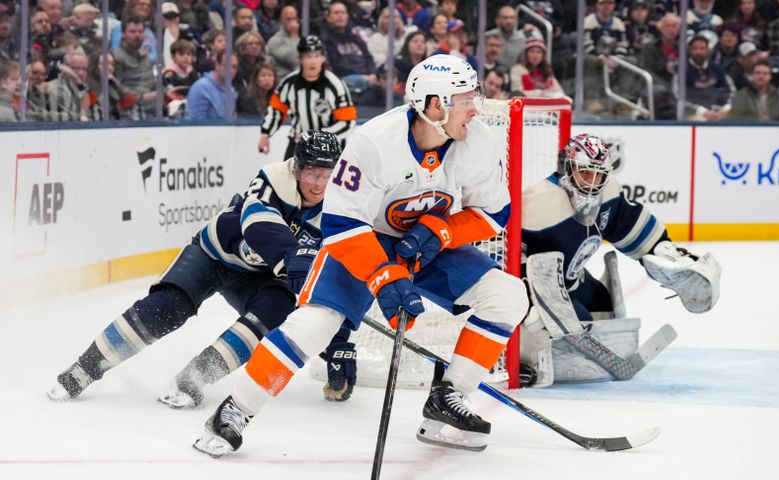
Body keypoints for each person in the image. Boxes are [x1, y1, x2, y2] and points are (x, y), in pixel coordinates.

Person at [193, 54, 529, 458]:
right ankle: (235, 410)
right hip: (363, 240)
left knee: (508, 295)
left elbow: (494, 213)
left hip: (428, 243)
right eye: (464, 99)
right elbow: (340, 222)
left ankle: (448, 400)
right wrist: (383, 276)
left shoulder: (478, 142)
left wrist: (443, 229)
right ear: (435, 104)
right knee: (316, 323)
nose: (475, 109)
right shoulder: (374, 143)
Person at [48, 130, 357, 407]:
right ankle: (85, 367)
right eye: (313, 174)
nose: (319, 184)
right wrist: (293, 257)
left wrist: (338, 341)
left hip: (264, 279)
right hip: (214, 255)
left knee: (269, 318)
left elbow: (337, 272)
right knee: (165, 308)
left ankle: (195, 377)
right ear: (298, 168)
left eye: (327, 175)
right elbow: (258, 225)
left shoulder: (338, 210)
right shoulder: (274, 177)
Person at [517, 133, 721, 388]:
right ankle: (521, 351)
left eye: (598, 174)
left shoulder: (607, 194)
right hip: (545, 294)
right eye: (585, 173)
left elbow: (627, 223)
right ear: (566, 168)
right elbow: (510, 256)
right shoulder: (535, 204)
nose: (592, 183)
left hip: (574, 279)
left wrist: (663, 251)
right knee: (578, 322)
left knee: (603, 302)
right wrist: (525, 299)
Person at [258, 35, 356, 159]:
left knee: (327, 178)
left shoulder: (335, 84)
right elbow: (276, 111)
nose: (312, 61)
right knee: (289, 177)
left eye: (316, 56)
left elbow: (347, 122)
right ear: (300, 59)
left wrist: (317, 136)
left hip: (329, 146)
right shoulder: (289, 83)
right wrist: (265, 134)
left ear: (323, 58)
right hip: (299, 144)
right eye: (308, 56)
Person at [185, 49, 238, 119]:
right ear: (217, 65)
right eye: (226, 65)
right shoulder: (200, 88)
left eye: (234, 67)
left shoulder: (231, 91)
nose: (231, 70)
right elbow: (195, 124)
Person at [265, 3, 299, 82]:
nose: (292, 22)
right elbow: (290, 58)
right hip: (280, 83)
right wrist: (294, 36)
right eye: (288, 19)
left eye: (294, 19)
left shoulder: (299, 40)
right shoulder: (274, 40)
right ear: (281, 20)